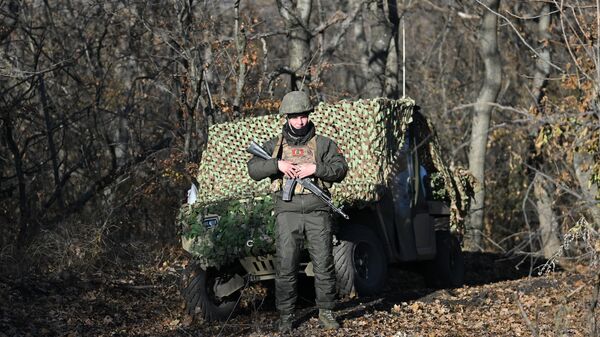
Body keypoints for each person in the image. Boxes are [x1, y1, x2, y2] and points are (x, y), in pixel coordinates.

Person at [247, 91, 348, 332]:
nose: (300, 122)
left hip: (317, 212)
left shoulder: (324, 144)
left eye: (303, 116)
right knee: (286, 265)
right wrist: (277, 164)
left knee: (323, 263)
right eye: (294, 117)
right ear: (286, 118)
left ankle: (326, 312)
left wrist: (315, 168)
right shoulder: (275, 145)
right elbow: (253, 168)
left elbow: (340, 169)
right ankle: (285, 316)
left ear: (309, 116)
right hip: (287, 213)